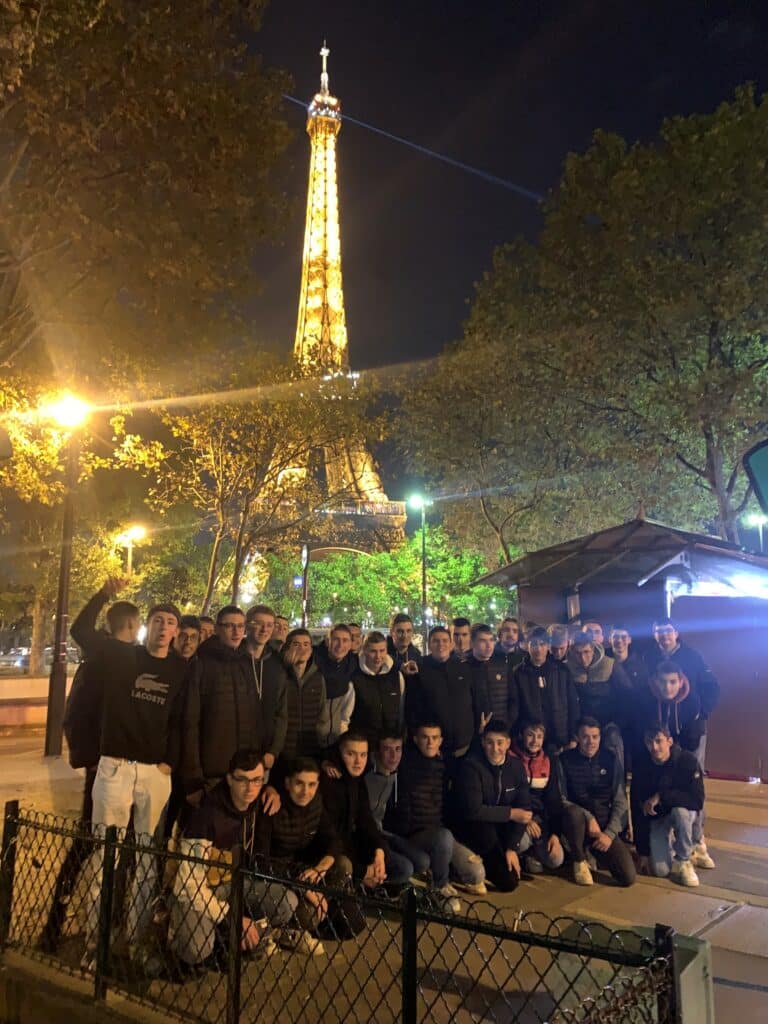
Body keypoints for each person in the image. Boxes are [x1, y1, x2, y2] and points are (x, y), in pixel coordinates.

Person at [70, 583, 188, 954]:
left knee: (147, 860)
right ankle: (96, 941)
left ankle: (135, 941)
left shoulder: (182, 670)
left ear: (176, 631)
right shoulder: (121, 656)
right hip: (116, 768)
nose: (163, 627)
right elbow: (80, 632)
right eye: (157, 620)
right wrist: (103, 593)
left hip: (155, 772)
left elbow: (183, 720)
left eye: (170, 622)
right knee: (104, 854)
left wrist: (171, 762)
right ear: (146, 626)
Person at [42, 595, 142, 952]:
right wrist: (91, 759)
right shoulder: (106, 654)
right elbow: (80, 630)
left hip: (124, 766)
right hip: (106, 766)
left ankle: (98, 920)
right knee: (92, 842)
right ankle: (63, 921)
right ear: (134, 624)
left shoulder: (121, 656)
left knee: (107, 844)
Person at [170, 749, 298, 965]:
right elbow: (188, 885)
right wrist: (234, 919)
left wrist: (271, 790)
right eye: (243, 780)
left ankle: (231, 941)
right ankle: (180, 938)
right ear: (229, 779)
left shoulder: (256, 803)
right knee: (197, 948)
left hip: (231, 885)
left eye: (257, 780)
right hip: (199, 891)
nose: (250, 788)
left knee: (286, 902)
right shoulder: (207, 816)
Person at [181, 606, 287, 800]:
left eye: (240, 626)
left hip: (243, 772)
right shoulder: (201, 663)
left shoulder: (245, 663)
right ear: (217, 629)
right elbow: (190, 723)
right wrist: (193, 777)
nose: (237, 632)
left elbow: (254, 718)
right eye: (230, 626)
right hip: (211, 774)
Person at [384, 722, 486, 911]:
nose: (430, 743)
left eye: (434, 738)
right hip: (414, 835)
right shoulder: (404, 763)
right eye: (425, 737)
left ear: (441, 741)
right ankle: (438, 888)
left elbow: (466, 759)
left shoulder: (444, 764)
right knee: (442, 839)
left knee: (476, 874)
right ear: (415, 740)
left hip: (439, 834)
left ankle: (440, 872)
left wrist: (477, 735)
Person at [255, 757, 354, 951]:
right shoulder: (273, 807)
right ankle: (286, 929)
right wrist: (303, 887)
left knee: (343, 865)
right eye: (299, 783)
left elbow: (333, 840)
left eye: (311, 785)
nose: (306, 791)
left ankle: (311, 916)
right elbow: (262, 861)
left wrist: (321, 868)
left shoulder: (315, 802)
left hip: (304, 872)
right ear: (287, 783)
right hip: (278, 878)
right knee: (308, 914)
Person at [648, 618, 720, 869]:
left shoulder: (693, 656)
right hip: (666, 734)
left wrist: (702, 714)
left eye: (668, 631)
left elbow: (713, 688)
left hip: (691, 733)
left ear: (676, 632)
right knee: (666, 781)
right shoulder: (651, 657)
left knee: (692, 784)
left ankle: (698, 841)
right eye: (659, 632)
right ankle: (675, 835)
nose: (664, 636)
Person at [631, 661, 712, 868]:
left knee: (689, 797)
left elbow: (695, 796)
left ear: (681, 681)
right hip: (660, 748)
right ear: (655, 682)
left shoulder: (692, 702)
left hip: (683, 750)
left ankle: (696, 842)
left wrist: (676, 760)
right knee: (659, 870)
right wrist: (642, 850)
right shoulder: (646, 701)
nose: (667, 687)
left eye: (672, 682)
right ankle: (660, 838)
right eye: (663, 682)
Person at [557, 718, 636, 887]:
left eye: (595, 737)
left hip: (603, 829)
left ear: (600, 737)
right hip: (576, 824)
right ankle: (579, 859)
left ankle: (591, 853)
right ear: (577, 737)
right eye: (585, 737)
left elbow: (620, 801)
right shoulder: (564, 760)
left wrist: (609, 834)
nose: (590, 742)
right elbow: (561, 799)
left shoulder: (611, 759)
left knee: (627, 877)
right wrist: (588, 817)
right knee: (573, 813)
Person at [453, 720, 531, 891]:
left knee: (523, 841)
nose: (495, 749)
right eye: (489, 742)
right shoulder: (471, 767)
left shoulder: (517, 767)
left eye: (500, 743)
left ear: (508, 743)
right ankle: (464, 861)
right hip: (476, 827)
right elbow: (473, 810)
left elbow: (524, 810)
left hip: (501, 827)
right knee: (508, 883)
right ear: (482, 742)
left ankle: (501, 857)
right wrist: (510, 813)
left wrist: (511, 847)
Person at [632, 725, 705, 887]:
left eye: (659, 741)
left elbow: (697, 800)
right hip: (658, 818)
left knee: (681, 813)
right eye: (649, 742)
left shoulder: (687, 761)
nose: (654, 747)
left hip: (682, 812)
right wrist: (642, 852)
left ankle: (684, 859)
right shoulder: (641, 766)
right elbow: (638, 811)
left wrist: (662, 797)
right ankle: (670, 848)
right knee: (660, 871)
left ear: (670, 741)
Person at [319, 732, 389, 888]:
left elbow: (366, 820)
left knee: (395, 864)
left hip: (348, 846)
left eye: (363, 755)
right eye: (351, 754)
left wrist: (379, 851)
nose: (358, 761)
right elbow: (331, 836)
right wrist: (362, 871)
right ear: (339, 753)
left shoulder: (358, 780)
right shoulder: (328, 782)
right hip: (327, 852)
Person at [405, 626, 479, 762]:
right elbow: (412, 709)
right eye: (436, 641)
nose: (441, 645)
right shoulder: (419, 670)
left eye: (445, 640)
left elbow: (474, 701)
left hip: (465, 749)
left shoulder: (463, 668)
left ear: (451, 644)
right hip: (434, 751)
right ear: (429, 644)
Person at [364, 733, 423, 884]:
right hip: (366, 832)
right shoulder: (366, 772)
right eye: (387, 749)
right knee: (405, 868)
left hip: (384, 831)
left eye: (398, 749)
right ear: (377, 752)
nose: (394, 756)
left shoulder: (397, 773)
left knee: (422, 861)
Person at [566, 632, 632, 764]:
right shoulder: (567, 668)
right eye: (578, 653)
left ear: (593, 648)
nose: (583, 658)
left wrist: (618, 722)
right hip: (581, 725)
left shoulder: (610, 665)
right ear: (572, 652)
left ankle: (618, 783)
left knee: (614, 743)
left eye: (586, 652)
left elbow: (627, 697)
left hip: (608, 722)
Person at [510, 720, 564, 875]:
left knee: (556, 859)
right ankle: (522, 853)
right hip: (519, 817)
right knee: (521, 843)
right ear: (522, 736)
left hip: (540, 819)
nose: (535, 741)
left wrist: (555, 834)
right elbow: (510, 796)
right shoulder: (512, 759)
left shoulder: (548, 761)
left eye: (539, 736)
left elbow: (554, 800)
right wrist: (526, 820)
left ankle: (533, 853)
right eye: (530, 735)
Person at [513, 627, 579, 755]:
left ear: (548, 646)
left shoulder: (561, 670)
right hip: (533, 738)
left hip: (560, 735)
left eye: (542, 644)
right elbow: (516, 706)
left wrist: (573, 735)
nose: (538, 649)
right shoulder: (518, 673)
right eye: (534, 644)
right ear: (527, 646)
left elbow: (572, 703)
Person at [278, 629, 331, 764]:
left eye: (306, 644)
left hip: (310, 747)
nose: (302, 649)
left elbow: (322, 713)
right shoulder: (280, 675)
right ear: (287, 648)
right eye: (296, 644)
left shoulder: (318, 678)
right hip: (283, 748)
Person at [349, 631, 405, 745]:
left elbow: (401, 711)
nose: (378, 656)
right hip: (364, 744)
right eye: (373, 651)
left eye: (382, 651)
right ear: (364, 650)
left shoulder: (396, 676)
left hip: (390, 745)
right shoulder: (354, 677)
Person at [466, 623, 517, 729]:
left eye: (491, 640)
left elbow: (513, 699)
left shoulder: (503, 666)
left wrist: (508, 724)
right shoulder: (464, 669)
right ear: (472, 643)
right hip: (475, 731)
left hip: (502, 730)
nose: (489, 645)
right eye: (483, 641)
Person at [313, 624, 357, 747]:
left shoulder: (352, 662)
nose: (340, 645)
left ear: (350, 644)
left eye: (345, 640)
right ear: (327, 641)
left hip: (335, 733)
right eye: (336, 639)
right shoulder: (313, 660)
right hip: (311, 731)